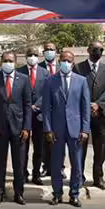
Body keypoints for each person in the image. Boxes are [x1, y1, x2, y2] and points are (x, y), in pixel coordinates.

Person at [43, 50, 90, 208]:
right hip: (56, 130)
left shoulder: (81, 81)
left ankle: (74, 194)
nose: (66, 63)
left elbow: (85, 108)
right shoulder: (50, 81)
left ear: (73, 63)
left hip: (76, 130)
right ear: (59, 61)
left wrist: (85, 130)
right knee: (56, 164)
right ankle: (57, 193)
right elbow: (46, 108)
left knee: (76, 164)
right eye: (63, 60)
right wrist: (48, 129)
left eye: (69, 60)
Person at [0, 51, 32, 206]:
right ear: (1, 62)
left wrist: (27, 127)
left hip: (19, 128)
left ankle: (19, 193)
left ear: (15, 62)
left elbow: (27, 104)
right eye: (5, 60)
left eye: (10, 60)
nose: (8, 63)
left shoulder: (24, 79)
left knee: (19, 163)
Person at [73, 41, 105, 190]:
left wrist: (98, 104)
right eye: (95, 49)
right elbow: (76, 88)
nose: (98, 52)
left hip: (101, 114)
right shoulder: (78, 68)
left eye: (100, 49)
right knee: (80, 148)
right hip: (83, 114)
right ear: (88, 50)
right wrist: (88, 104)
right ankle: (79, 177)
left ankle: (98, 177)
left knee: (100, 148)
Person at [17, 47, 50, 185]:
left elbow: (47, 92)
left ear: (39, 56)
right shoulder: (19, 72)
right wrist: (27, 106)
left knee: (39, 147)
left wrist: (37, 105)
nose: (32, 57)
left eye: (35, 55)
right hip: (23, 115)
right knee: (22, 146)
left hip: (39, 115)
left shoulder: (45, 73)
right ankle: (22, 173)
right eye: (29, 54)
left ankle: (36, 174)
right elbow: (17, 91)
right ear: (25, 56)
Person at [40, 41, 62, 178]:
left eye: (52, 49)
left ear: (56, 51)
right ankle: (45, 166)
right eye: (47, 49)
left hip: (60, 108)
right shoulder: (39, 67)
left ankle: (60, 167)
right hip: (43, 108)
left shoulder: (63, 66)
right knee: (45, 140)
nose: (49, 51)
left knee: (59, 140)